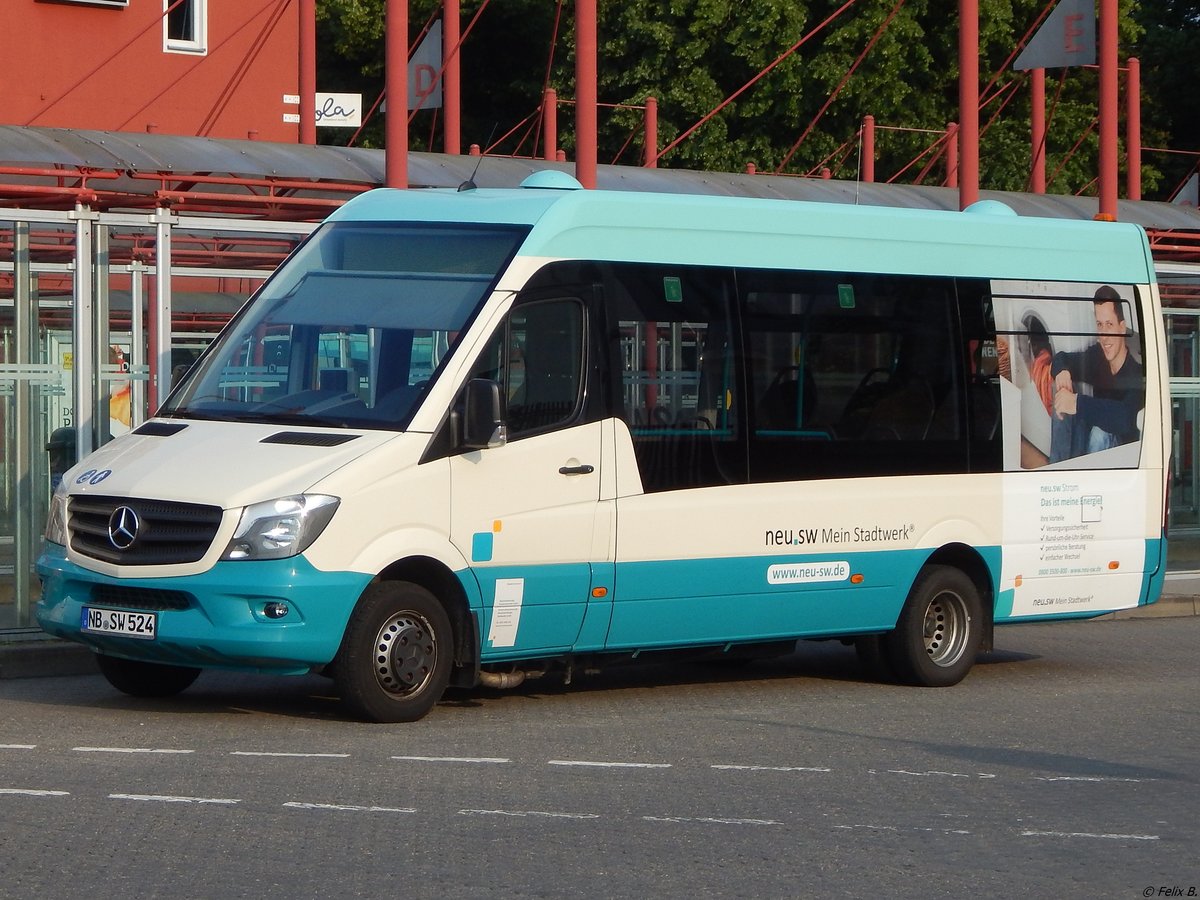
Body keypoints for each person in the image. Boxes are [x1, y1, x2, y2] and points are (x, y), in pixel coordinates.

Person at [1049, 285, 1143, 462]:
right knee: (1062, 400)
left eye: (1109, 325)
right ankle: (1058, 473)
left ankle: (1087, 481)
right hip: (1091, 446)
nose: (1104, 335)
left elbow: (1124, 418)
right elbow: (1060, 358)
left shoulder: (1136, 373)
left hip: (1122, 458)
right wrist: (1062, 372)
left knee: (1101, 432)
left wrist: (1077, 402)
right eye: (1100, 325)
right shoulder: (1096, 357)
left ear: (1122, 328)